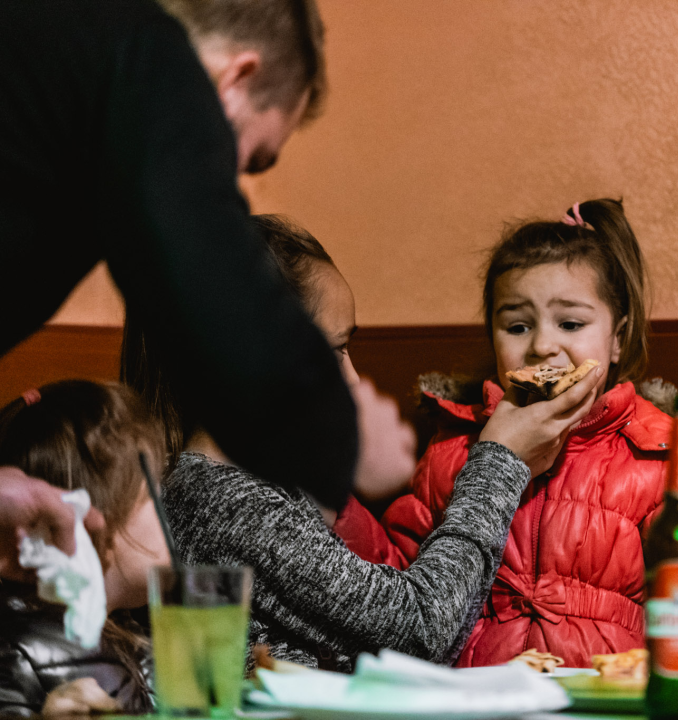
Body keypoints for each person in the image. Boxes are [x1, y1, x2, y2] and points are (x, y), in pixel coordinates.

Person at [0, 0, 387, 573]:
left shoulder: (69, 73)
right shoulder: (153, 64)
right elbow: (208, 282)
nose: (223, 183)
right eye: (249, 160)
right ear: (236, 78)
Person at [124, 214, 601, 669]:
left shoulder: (237, 490)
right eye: (334, 351)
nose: (352, 380)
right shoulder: (223, 504)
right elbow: (421, 630)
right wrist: (499, 460)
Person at [353, 199, 678, 668]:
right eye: (517, 326)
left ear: (617, 338)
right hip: (481, 700)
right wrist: (337, 508)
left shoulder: (654, 458)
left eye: (571, 324)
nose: (542, 346)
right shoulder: (455, 453)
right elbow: (397, 586)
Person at [0, 381, 170, 716]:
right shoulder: (20, 651)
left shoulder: (126, 633)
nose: (168, 507)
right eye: (152, 496)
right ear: (97, 523)